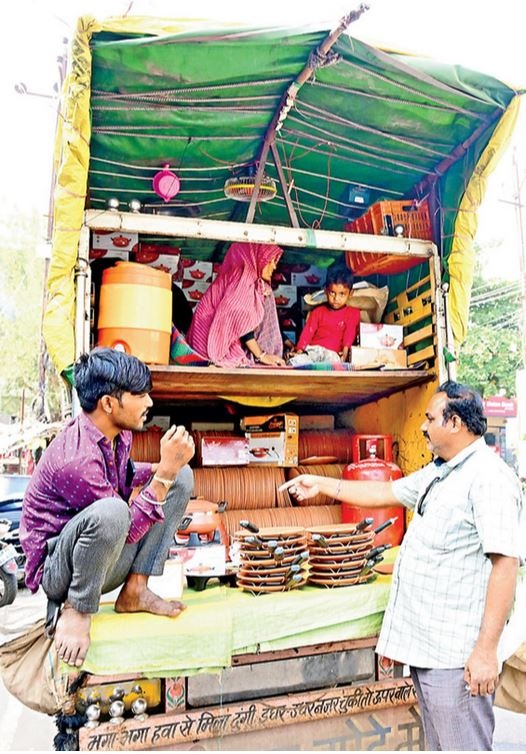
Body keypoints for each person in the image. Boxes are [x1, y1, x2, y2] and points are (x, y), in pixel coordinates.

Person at [280, 381, 523, 751]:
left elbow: (505, 564)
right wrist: (320, 483)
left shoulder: (488, 478)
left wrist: (486, 652)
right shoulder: (442, 472)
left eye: (429, 418)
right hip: (430, 650)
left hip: (458, 655)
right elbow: (383, 492)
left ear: (455, 423)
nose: (423, 426)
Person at [20, 347, 195, 668]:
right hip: (62, 572)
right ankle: (76, 610)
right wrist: (164, 472)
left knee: (181, 475)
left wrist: (168, 468)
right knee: (114, 511)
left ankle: (136, 591)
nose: (150, 403)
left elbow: (126, 476)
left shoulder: (117, 434)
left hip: (101, 559)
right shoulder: (75, 458)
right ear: (109, 403)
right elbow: (122, 526)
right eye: (141, 394)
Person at [186, 242, 286, 367]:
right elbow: (238, 318)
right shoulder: (243, 277)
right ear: (258, 257)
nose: (274, 266)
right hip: (208, 343)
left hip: (203, 340)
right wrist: (261, 355)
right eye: (270, 260)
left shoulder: (251, 281)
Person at [289, 266, 359, 364]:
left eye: (342, 294)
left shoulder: (352, 313)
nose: (336, 298)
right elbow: (307, 334)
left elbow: (349, 334)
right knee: (295, 362)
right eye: (332, 293)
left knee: (334, 361)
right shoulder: (318, 312)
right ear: (326, 291)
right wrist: (299, 351)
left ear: (350, 293)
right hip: (313, 351)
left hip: (332, 355)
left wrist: (344, 355)